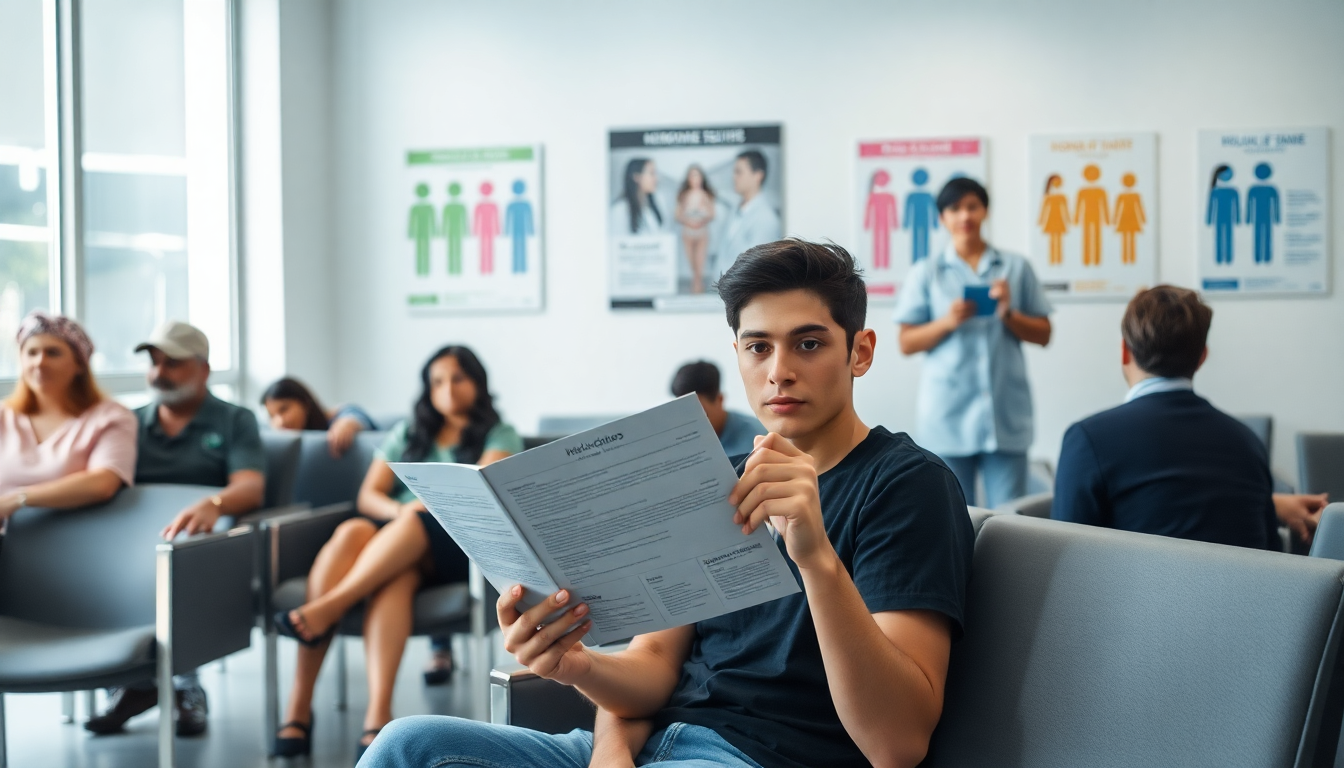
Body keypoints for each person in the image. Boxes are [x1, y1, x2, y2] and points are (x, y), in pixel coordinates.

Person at [363, 239, 974, 768]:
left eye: (808, 344)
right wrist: (577, 671)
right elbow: (654, 665)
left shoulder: (907, 485)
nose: (779, 371)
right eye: (758, 347)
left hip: (758, 757)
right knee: (408, 745)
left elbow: (897, 744)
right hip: (646, 747)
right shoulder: (717, 479)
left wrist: (816, 559)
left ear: (859, 352)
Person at [271, 345, 522, 761]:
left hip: (456, 543)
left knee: (407, 524)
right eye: (437, 381)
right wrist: (401, 510)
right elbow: (369, 495)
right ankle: (359, 712)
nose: (447, 390)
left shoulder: (500, 434)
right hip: (398, 542)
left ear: (478, 383)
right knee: (354, 531)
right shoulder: (410, 432)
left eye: (458, 379)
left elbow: (478, 494)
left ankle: (327, 609)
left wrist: (416, 513)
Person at [85, 320, 266, 738]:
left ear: (203, 369)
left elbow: (250, 486)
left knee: (182, 563)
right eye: (154, 362)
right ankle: (138, 683)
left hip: (198, 541)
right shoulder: (129, 423)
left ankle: (182, 684)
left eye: (173, 363)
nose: (159, 372)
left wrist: (213, 503)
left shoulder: (235, 420)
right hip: (131, 541)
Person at [1052, 285, 1327, 547]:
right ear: (1201, 358)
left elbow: (1062, 558)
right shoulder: (1248, 443)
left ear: (1125, 351)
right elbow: (1271, 556)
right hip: (1242, 584)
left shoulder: (1088, 441)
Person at [894, 177, 1053, 509]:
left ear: (985, 211)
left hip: (1005, 415)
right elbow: (906, 342)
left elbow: (1044, 334)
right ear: (942, 217)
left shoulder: (1016, 268)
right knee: (951, 516)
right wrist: (947, 322)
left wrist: (1009, 313)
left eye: (972, 206)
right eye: (955, 208)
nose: (965, 215)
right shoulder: (926, 272)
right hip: (947, 418)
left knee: (1011, 520)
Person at [0, 312, 137, 524]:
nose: (39, 362)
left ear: (79, 364)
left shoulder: (112, 417)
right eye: (31, 352)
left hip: (75, 538)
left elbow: (103, 483)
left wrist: (19, 499)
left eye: (53, 353)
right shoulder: (4, 415)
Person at [261, 376, 378, 458]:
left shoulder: (340, 417)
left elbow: (354, 415)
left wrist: (349, 423)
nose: (279, 421)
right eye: (272, 416)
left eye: (284, 409)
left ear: (304, 403)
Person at [670, 360, 765, 457]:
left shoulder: (759, 439)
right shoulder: (675, 439)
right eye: (683, 412)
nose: (689, 422)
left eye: (698, 413)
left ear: (720, 400)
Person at [717, 149, 783, 268]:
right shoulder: (735, 211)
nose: (734, 177)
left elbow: (756, 268)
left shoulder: (766, 219)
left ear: (758, 176)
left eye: (739, 172)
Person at [675, 165, 717, 293]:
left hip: (702, 232)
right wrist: (688, 222)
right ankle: (696, 283)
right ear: (688, 178)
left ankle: (697, 285)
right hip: (688, 233)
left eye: (697, 175)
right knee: (691, 261)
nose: (695, 179)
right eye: (692, 175)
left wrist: (701, 220)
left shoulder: (706, 195)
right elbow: (677, 215)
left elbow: (712, 214)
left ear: (702, 178)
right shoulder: (684, 195)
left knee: (700, 261)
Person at [611, 158, 665, 236]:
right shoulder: (620, 209)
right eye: (652, 173)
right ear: (636, 177)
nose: (656, 178)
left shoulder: (649, 208)